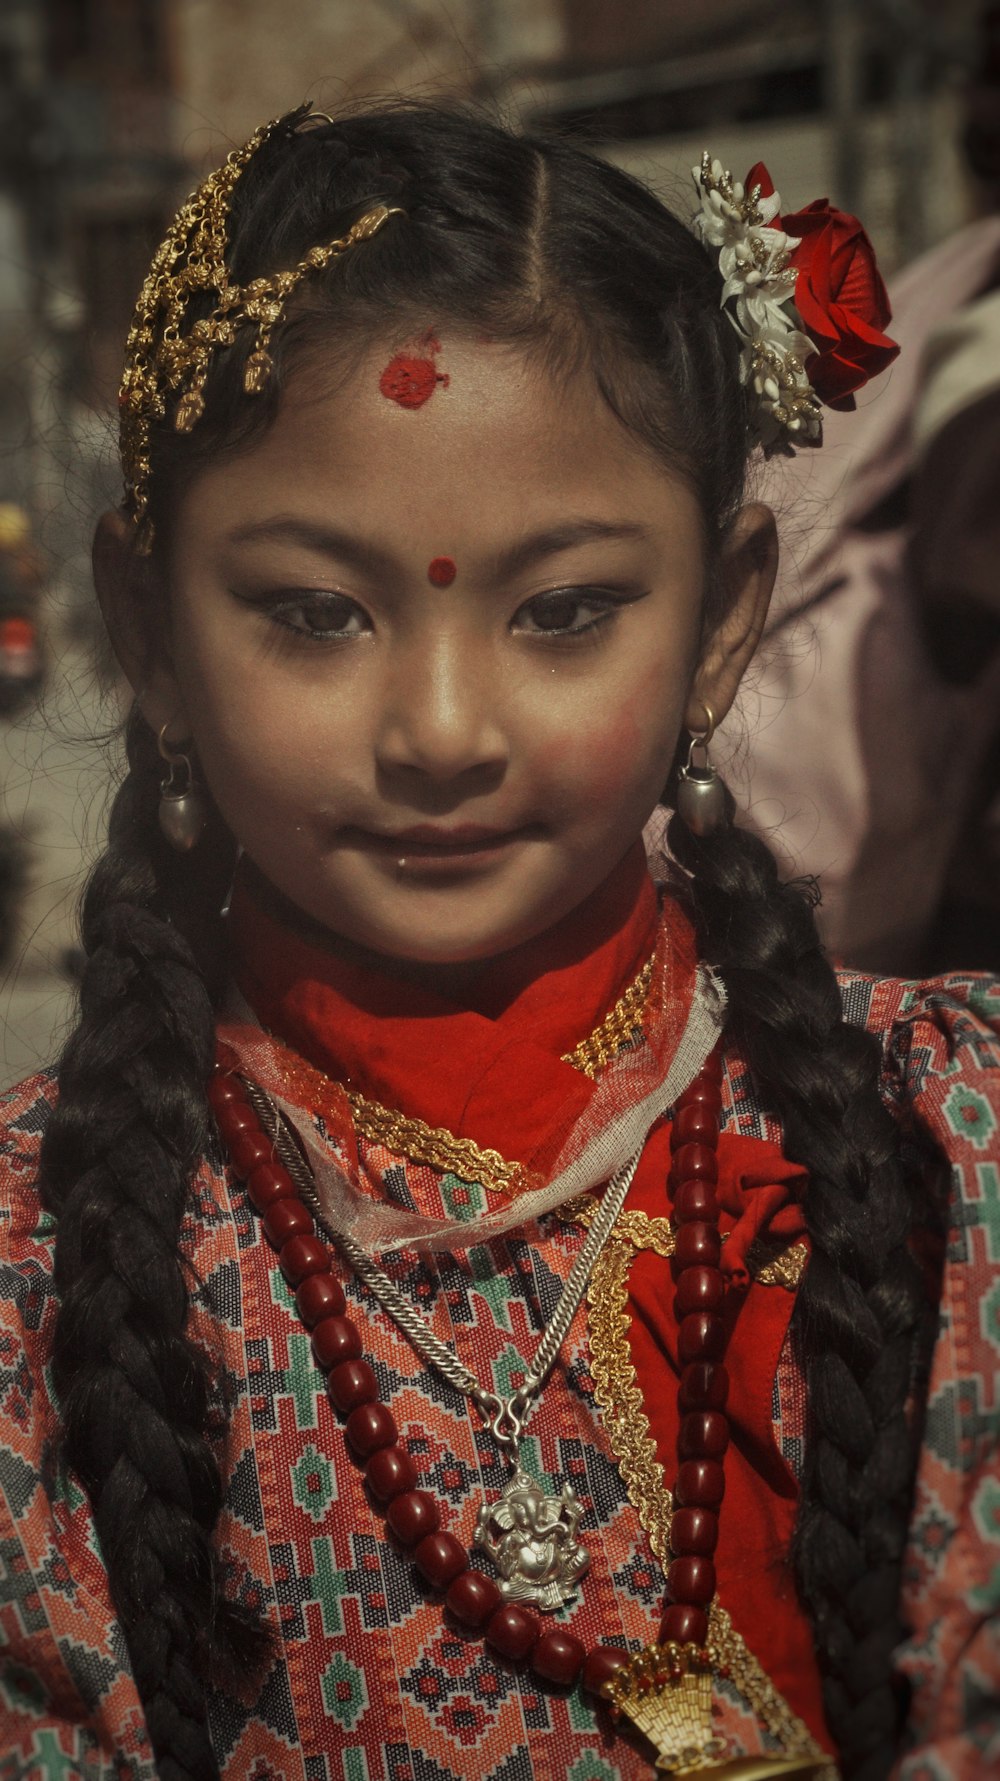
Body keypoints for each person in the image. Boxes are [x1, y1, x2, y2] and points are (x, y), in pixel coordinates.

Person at [0, 104, 997, 1781]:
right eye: (316, 611)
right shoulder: (44, 1265)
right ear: (151, 636)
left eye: (565, 610)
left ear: (724, 622)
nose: (445, 728)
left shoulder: (949, 1142)